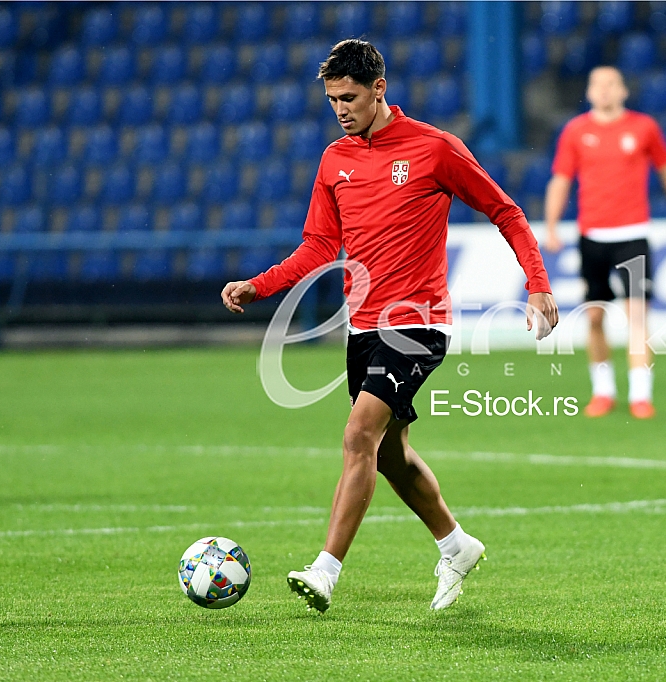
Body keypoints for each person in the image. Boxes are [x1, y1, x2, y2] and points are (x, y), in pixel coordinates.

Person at [221, 40, 559, 612]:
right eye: (332, 99)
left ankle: (326, 569)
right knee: (388, 453)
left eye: (348, 96)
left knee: (358, 436)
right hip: (364, 327)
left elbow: (507, 211)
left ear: (379, 88)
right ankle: (456, 544)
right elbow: (320, 246)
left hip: (418, 323)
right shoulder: (335, 160)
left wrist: (539, 284)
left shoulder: (434, 149)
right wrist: (262, 284)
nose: (340, 109)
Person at [543, 66, 666, 420]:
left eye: (611, 83)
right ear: (590, 91)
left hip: (632, 235)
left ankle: (641, 394)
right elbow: (561, 179)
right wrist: (551, 225)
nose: (604, 90)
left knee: (637, 314)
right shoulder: (576, 131)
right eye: (597, 83)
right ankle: (603, 391)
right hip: (592, 237)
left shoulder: (643, 128)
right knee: (594, 316)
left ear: (623, 90)